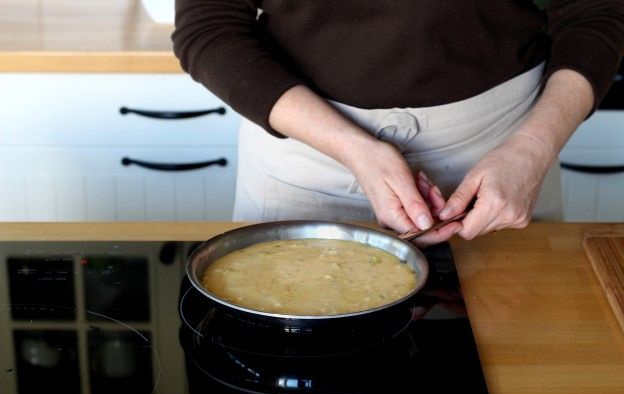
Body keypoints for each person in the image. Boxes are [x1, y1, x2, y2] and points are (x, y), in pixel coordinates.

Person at [172, 1, 624, 246]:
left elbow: (595, 13)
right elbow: (208, 26)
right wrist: (354, 148)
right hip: (308, 162)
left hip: (507, 159)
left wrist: (533, 150)